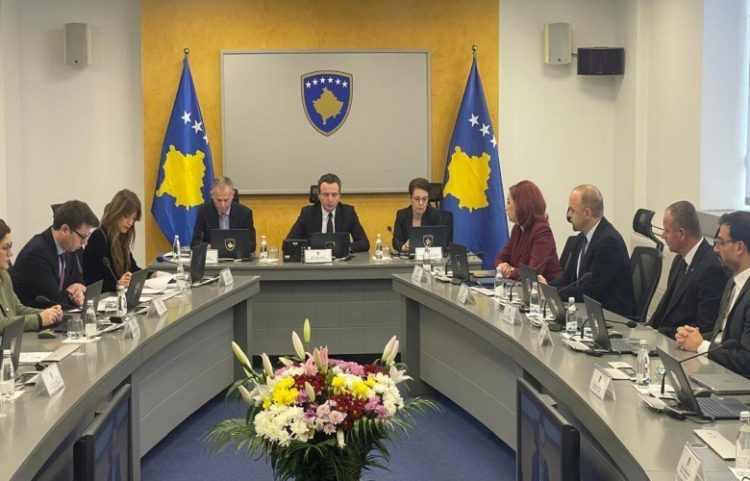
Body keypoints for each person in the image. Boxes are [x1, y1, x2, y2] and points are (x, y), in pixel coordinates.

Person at [540, 184, 634, 317]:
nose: (568, 215)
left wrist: (551, 293)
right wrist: (546, 287)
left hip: (612, 317)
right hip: (587, 313)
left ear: (587, 213)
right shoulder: (580, 239)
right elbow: (568, 279)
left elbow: (591, 291)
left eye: (572, 210)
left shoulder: (609, 242)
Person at [676, 211, 750, 376]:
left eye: (721, 242)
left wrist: (701, 346)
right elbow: (721, 337)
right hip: (718, 371)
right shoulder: (732, 282)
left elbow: (747, 359)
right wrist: (691, 336)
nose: (715, 249)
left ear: (739, 247)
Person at [648, 201, 727, 337]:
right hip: (663, 338)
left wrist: (659, 333)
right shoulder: (679, 259)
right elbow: (665, 308)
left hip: (680, 344)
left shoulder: (711, 269)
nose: (662, 235)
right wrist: (645, 331)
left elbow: (704, 328)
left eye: (667, 230)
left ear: (681, 234)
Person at [11, 200, 99, 309]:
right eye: (83, 237)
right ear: (65, 230)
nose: (85, 243)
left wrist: (78, 290)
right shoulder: (37, 254)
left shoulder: (69, 246)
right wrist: (70, 292)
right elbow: (54, 301)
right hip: (35, 316)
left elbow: (78, 280)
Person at [0, 219, 63, 333]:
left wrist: (47, 313)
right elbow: (1, 324)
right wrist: (38, 319)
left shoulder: (4, 275)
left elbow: (18, 309)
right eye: (5, 248)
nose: (10, 253)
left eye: (10, 247)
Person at [493, 180, 562, 281]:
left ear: (521, 204)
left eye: (508, 202)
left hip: (545, 289)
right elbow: (500, 258)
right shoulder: (517, 229)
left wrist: (509, 272)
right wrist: (502, 265)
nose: (505, 208)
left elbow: (532, 272)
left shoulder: (542, 231)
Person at [286, 173, 370, 253]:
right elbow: (289, 243)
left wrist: (343, 248)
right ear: (319, 195)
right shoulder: (307, 213)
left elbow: (364, 243)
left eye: (334, 195)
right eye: (326, 195)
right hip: (316, 260)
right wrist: (313, 248)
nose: (330, 199)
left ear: (339, 195)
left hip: (341, 261)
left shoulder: (348, 213)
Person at [83, 189, 144, 293]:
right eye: (126, 216)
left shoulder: (121, 238)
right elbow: (91, 281)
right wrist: (116, 285)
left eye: (133, 218)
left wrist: (152, 274)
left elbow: (132, 268)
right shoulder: (99, 237)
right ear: (116, 213)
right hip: (103, 299)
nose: (130, 223)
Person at [191, 176, 256, 253]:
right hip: (213, 259)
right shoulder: (204, 212)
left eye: (226, 200)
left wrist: (234, 247)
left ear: (232, 196)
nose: (222, 205)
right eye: (219, 200)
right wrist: (212, 247)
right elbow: (195, 243)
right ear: (212, 196)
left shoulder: (244, 214)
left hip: (237, 258)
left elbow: (251, 245)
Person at [391, 177, 452, 252]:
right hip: (408, 257)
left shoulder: (435, 215)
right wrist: (403, 247)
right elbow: (396, 242)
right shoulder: (402, 215)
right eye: (417, 199)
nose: (421, 203)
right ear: (410, 198)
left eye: (424, 199)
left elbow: (440, 243)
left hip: (430, 257)